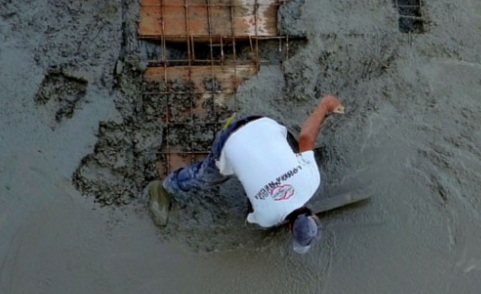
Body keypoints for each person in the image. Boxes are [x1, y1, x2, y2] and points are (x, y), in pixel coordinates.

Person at [145, 95, 345, 254]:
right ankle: (166, 186)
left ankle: (243, 126)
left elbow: (306, 137)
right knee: (207, 176)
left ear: (314, 217)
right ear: (290, 228)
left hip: (263, 122)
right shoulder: (266, 219)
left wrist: (325, 106)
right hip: (228, 141)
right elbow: (250, 214)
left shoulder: (312, 180)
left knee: (294, 149)